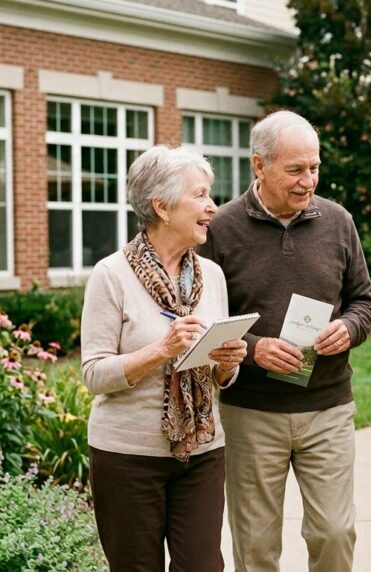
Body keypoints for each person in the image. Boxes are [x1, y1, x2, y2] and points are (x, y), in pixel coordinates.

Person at [198, 110, 371, 572]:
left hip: (328, 407)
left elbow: (364, 301)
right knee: (256, 545)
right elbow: (204, 318)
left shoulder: (338, 222)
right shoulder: (220, 229)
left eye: (314, 168)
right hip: (252, 412)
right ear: (259, 166)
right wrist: (255, 349)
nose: (308, 181)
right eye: (295, 170)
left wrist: (349, 329)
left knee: (334, 532)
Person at [81, 146, 248, 572]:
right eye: (200, 196)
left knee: (203, 566)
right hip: (127, 456)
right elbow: (95, 374)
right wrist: (162, 350)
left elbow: (218, 374)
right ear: (162, 206)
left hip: (202, 450)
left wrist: (228, 362)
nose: (212, 207)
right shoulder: (110, 275)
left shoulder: (211, 275)